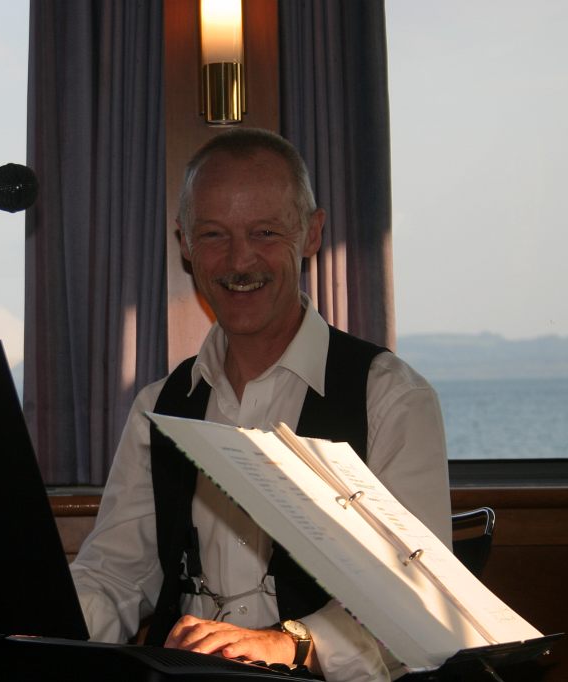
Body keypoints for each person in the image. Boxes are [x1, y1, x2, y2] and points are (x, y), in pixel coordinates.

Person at [69, 128, 451, 682]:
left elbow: (420, 600)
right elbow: (114, 575)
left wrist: (292, 644)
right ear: (184, 243)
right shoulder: (159, 406)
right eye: (213, 234)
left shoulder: (391, 398)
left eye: (265, 232)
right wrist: (37, 631)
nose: (240, 259)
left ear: (312, 233)